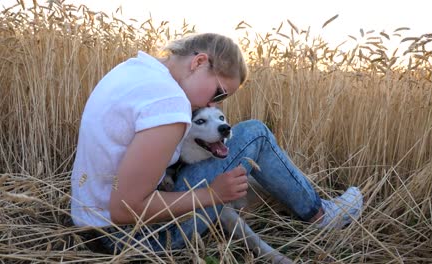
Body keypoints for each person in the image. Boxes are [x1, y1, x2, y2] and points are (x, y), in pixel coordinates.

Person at [70, 33, 363, 255]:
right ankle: (320, 215)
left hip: (90, 225)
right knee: (255, 133)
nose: (213, 103)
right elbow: (125, 209)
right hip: (131, 240)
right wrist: (212, 194)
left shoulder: (133, 69)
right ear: (199, 62)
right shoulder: (169, 104)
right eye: (220, 93)